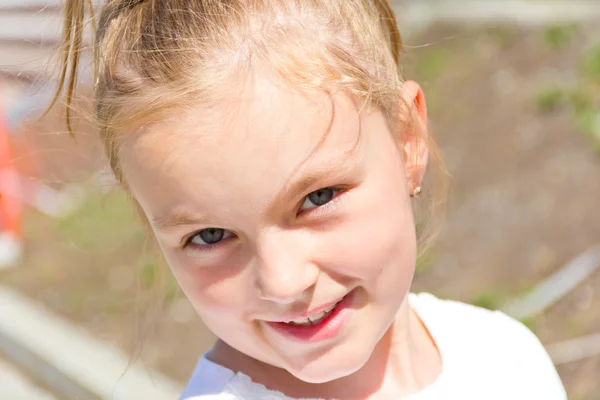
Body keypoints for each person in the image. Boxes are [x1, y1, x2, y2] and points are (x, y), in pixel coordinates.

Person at [51, 1, 567, 399]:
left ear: (406, 139)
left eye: (317, 197)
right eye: (210, 236)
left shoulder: (505, 353)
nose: (283, 281)